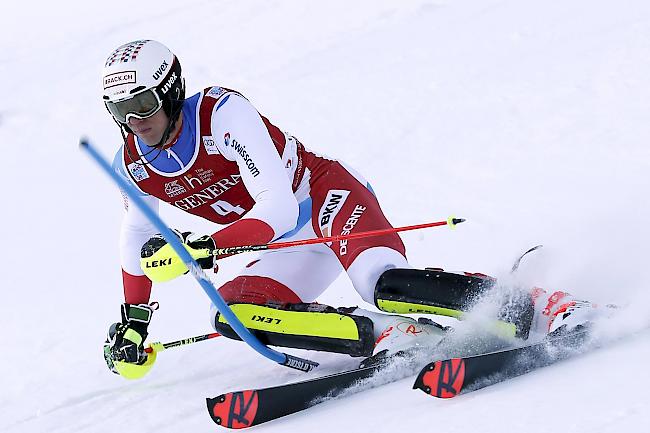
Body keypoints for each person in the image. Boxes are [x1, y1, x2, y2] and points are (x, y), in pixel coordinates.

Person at [101, 40, 599, 379]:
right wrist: (134, 322)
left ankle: (544, 303)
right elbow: (135, 238)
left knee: (380, 283)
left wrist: (208, 245)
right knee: (233, 314)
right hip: (283, 243)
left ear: (168, 87)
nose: (133, 122)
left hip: (323, 199)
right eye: (119, 111)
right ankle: (396, 335)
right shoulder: (133, 162)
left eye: (141, 103)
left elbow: (274, 208)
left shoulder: (222, 114)